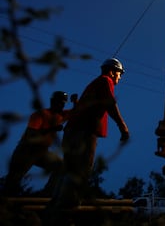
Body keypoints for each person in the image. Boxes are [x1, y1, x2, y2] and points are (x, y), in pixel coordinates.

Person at [49, 58, 130, 210]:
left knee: (69, 170)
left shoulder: (94, 84)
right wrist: (122, 126)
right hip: (83, 133)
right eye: (120, 74)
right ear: (112, 72)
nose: (120, 77)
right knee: (81, 171)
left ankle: (54, 208)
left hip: (72, 132)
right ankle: (67, 210)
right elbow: (109, 103)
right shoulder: (106, 81)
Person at [3, 91, 71, 196]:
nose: (61, 105)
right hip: (26, 150)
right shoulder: (40, 114)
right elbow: (32, 135)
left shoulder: (62, 115)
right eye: (59, 102)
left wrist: (76, 102)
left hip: (42, 151)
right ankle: (6, 201)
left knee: (61, 166)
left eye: (63, 103)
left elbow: (78, 111)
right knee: (14, 178)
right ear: (53, 102)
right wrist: (52, 128)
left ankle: (47, 194)